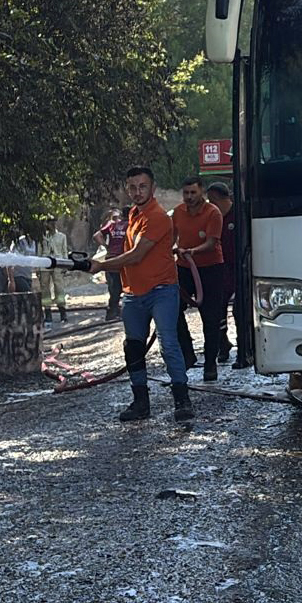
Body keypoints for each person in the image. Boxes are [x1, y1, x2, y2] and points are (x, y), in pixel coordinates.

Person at [88, 166, 192, 422]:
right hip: (133, 293)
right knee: (133, 346)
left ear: (153, 188)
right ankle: (140, 402)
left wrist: (101, 265)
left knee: (168, 343)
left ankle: (182, 399)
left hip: (162, 290)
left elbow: (136, 255)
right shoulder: (131, 215)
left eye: (142, 186)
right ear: (127, 189)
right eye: (132, 187)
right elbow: (120, 245)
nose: (137, 192)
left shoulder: (157, 216)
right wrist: (106, 245)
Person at [172, 176, 227, 381]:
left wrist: (192, 251)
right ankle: (187, 353)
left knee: (210, 317)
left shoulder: (213, 213)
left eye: (193, 193)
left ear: (201, 192)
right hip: (184, 268)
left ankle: (210, 363)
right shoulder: (178, 212)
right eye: (186, 193)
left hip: (210, 268)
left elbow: (213, 242)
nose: (189, 197)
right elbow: (171, 237)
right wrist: (173, 251)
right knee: (172, 309)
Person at [206, 182, 253, 369]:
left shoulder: (239, 215)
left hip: (240, 267)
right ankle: (222, 345)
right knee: (217, 310)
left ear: (220, 199)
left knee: (240, 311)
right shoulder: (212, 218)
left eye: (212, 200)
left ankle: (244, 351)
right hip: (220, 268)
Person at [94, 208, 127, 321]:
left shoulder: (112, 225)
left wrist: (106, 246)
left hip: (110, 259)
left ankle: (113, 311)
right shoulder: (131, 225)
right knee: (123, 287)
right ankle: (114, 312)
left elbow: (97, 235)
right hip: (123, 259)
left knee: (113, 288)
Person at [37, 217, 69, 323]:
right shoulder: (42, 237)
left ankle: (62, 312)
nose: (52, 224)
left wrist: (66, 265)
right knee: (45, 288)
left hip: (58, 263)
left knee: (59, 287)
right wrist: (38, 268)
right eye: (50, 222)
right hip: (45, 263)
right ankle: (48, 313)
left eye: (54, 222)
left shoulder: (62, 236)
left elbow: (64, 251)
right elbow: (39, 252)